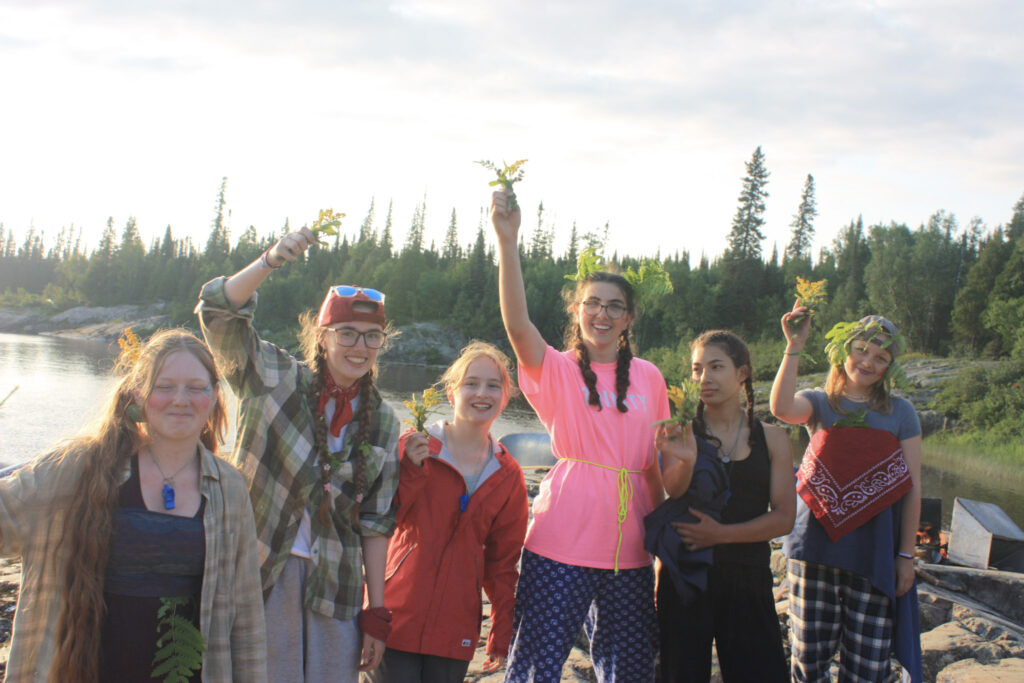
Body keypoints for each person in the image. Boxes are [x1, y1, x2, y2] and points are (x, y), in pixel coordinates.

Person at [491, 187, 693, 683]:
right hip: (562, 540)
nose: (601, 314)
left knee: (627, 669)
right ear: (577, 310)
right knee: (537, 663)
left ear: (628, 318)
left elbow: (656, 466)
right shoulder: (557, 370)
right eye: (592, 304)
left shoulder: (648, 377)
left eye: (614, 306)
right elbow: (517, 324)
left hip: (630, 550)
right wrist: (508, 241)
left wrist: (682, 470)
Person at [0, 329, 267, 682]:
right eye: (165, 386)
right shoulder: (81, 466)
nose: (181, 399)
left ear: (215, 395)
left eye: (195, 387)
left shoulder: (229, 487)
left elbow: (245, 616)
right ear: (139, 393)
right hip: (85, 670)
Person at [196, 228, 400, 683]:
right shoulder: (273, 376)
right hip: (260, 570)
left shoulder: (384, 421)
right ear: (322, 336)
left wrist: (377, 612)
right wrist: (270, 260)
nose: (359, 347)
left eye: (372, 337)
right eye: (347, 333)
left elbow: (375, 523)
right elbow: (219, 313)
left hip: (338, 584)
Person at [770, 307, 923, 682]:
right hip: (814, 548)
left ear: (890, 366)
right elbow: (781, 408)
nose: (868, 361)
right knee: (809, 661)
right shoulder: (820, 403)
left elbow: (913, 488)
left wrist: (905, 556)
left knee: (869, 666)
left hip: (874, 552)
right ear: (844, 351)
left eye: (881, 357)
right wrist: (795, 346)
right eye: (861, 349)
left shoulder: (901, 413)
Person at [368, 341, 529, 683]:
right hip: (397, 618)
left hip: (455, 628)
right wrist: (410, 471)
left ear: (506, 395)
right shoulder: (416, 447)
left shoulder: (508, 475)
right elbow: (381, 521)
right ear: (452, 392)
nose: (481, 393)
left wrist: (501, 628)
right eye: (471, 383)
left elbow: (502, 564)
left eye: (493, 385)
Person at [657, 330, 794, 682]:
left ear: (742, 373)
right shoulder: (679, 431)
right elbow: (671, 493)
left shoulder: (773, 438)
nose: (704, 378)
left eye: (716, 367)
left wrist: (722, 535)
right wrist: (685, 459)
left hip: (748, 577)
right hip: (686, 575)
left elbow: (784, 517)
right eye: (697, 369)